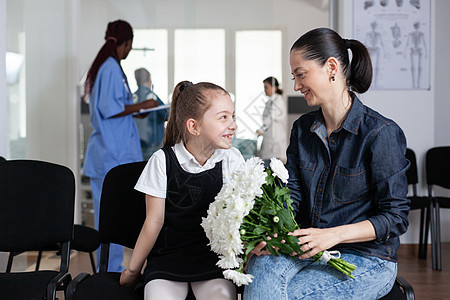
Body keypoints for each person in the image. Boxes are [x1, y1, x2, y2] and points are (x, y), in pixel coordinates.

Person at [244, 27, 410, 299]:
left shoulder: (380, 133)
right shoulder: (302, 129)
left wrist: (333, 235)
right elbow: (294, 194)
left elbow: (394, 217)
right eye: (294, 76)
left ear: (331, 67)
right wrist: (271, 233)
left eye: (301, 74)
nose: (296, 85)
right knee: (260, 266)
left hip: (367, 258)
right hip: (309, 247)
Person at [120, 81, 245, 300]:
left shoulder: (231, 158)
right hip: (167, 259)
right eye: (223, 117)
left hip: (212, 259)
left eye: (233, 116)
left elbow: (241, 218)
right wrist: (132, 271)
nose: (233, 124)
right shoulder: (162, 161)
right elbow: (153, 222)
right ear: (193, 127)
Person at [82, 20, 158, 272]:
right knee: (111, 220)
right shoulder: (110, 68)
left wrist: (135, 113)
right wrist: (141, 106)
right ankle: (109, 273)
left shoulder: (109, 67)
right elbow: (109, 108)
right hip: (109, 155)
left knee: (113, 218)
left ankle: (111, 270)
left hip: (111, 154)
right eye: (129, 47)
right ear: (125, 43)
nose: (128, 51)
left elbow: (114, 108)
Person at [133, 68, 169, 160]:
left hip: (137, 144)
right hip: (152, 145)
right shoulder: (152, 97)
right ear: (149, 78)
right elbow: (167, 115)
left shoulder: (134, 97)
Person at [256, 76, 288, 164]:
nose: (265, 90)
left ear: (275, 87)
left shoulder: (278, 101)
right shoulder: (271, 101)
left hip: (275, 141)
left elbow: (270, 118)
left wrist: (261, 130)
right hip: (270, 139)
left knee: (273, 168)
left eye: (266, 87)